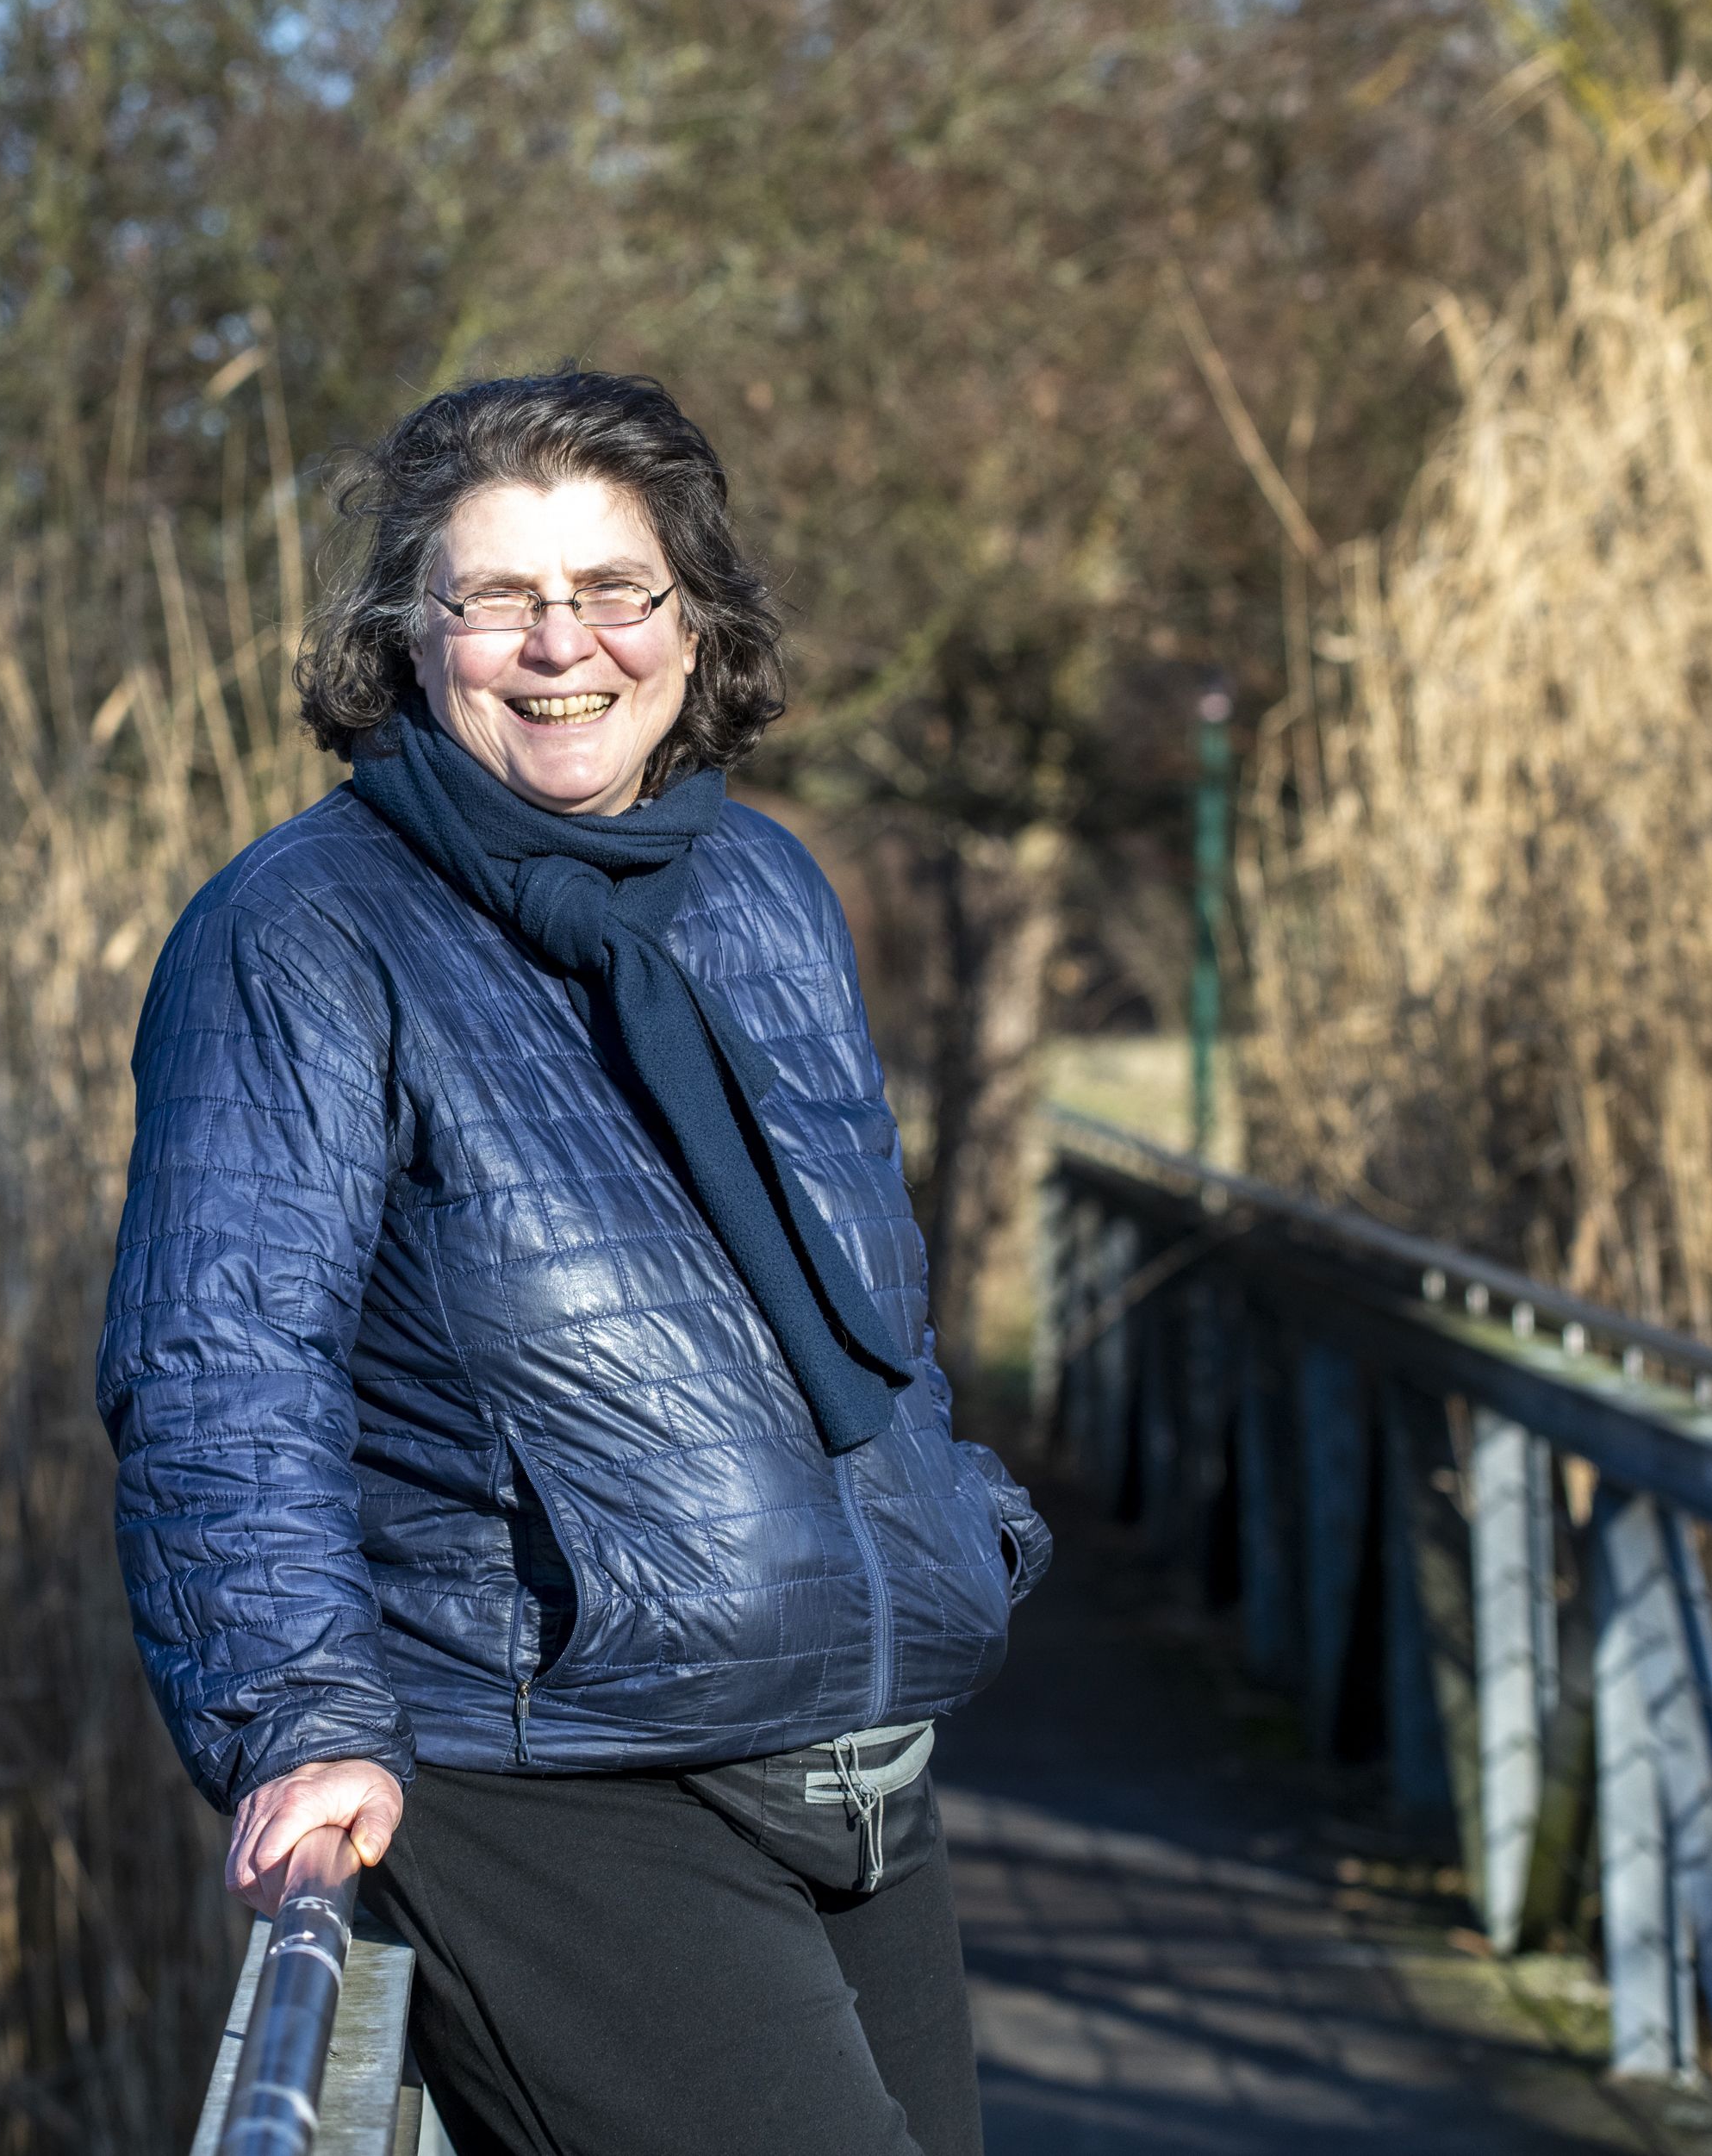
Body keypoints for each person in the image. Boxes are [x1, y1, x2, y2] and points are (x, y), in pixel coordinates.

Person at [96, 368, 1050, 2156]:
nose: (564, 646)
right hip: (554, 1772)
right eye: (497, 599)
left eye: (615, 588)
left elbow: (861, 1299)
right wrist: (295, 1709)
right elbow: (222, 1358)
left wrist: (950, 1515)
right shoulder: (303, 935)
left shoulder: (761, 891)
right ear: (409, 636)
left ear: (691, 625)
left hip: (864, 1754)